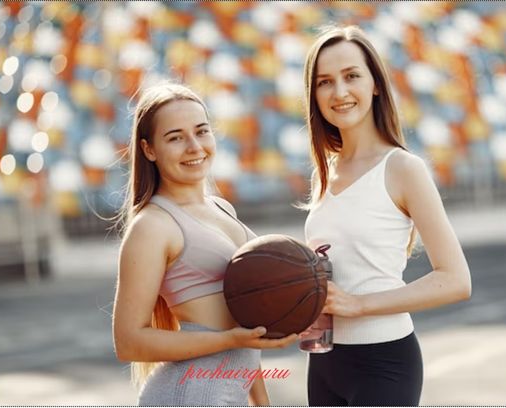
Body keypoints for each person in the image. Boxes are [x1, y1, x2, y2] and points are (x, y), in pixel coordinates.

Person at [301, 25, 472, 406]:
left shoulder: (403, 169)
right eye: (325, 82)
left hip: (384, 361)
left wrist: (360, 305)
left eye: (351, 76)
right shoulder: (324, 172)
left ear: (375, 84)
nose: (339, 92)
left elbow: (456, 280)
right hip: (324, 360)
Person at [111, 83, 298, 406]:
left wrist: (262, 402)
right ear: (149, 149)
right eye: (175, 137)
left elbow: (243, 319)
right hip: (189, 395)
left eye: (201, 131)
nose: (194, 146)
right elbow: (128, 342)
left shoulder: (222, 209)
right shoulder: (152, 226)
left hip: (226, 393)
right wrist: (228, 340)